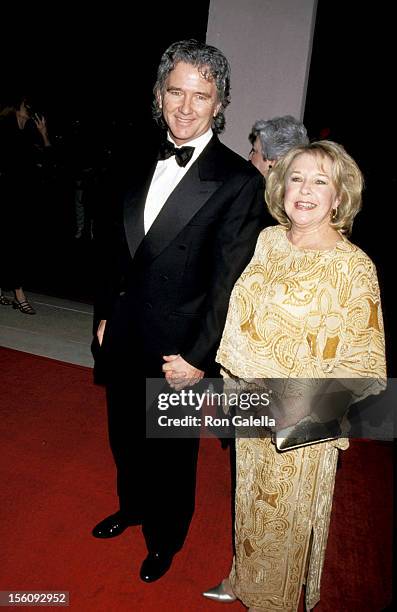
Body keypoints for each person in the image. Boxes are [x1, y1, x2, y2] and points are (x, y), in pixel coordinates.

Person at [91, 39, 268, 583]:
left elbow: (228, 285)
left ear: (220, 104)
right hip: (123, 331)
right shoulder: (132, 153)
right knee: (125, 434)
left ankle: (165, 538)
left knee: (171, 455)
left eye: (201, 96)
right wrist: (103, 312)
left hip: (179, 348)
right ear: (159, 95)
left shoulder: (239, 181)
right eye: (176, 92)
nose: (186, 107)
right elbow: (111, 246)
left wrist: (198, 356)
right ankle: (133, 506)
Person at [203, 140, 386, 611]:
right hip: (250, 404)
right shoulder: (268, 240)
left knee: (285, 519)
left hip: (302, 422)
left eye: (319, 181)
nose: (304, 190)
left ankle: (274, 603)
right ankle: (244, 577)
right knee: (248, 502)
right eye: (296, 178)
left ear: (339, 196)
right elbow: (243, 315)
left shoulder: (353, 267)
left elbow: (366, 364)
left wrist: (300, 417)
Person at [0, 96, 51, 314]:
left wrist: (44, 134)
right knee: (13, 245)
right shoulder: (4, 130)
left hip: (24, 198)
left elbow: (49, 159)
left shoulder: (29, 133)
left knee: (17, 244)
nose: (29, 110)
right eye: (26, 106)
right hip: (6, 196)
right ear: (16, 108)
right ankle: (19, 294)